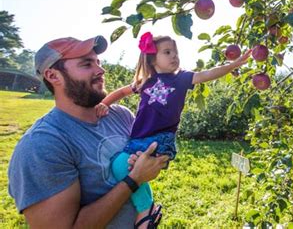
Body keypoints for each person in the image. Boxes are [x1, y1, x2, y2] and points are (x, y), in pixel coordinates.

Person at [8, 35, 169, 228]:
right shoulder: (41, 146)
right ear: (53, 76)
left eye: (98, 62)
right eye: (86, 64)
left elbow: (154, 160)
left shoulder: (121, 116)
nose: (101, 70)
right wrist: (134, 179)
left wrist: (156, 158)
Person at [94, 32, 251, 227]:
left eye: (175, 52)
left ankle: (144, 214)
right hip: (137, 139)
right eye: (167, 52)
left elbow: (208, 74)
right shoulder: (146, 81)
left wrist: (234, 64)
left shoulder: (182, 78)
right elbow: (123, 92)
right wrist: (104, 103)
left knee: (128, 167)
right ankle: (148, 208)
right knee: (119, 165)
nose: (174, 56)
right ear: (153, 59)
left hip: (160, 140)